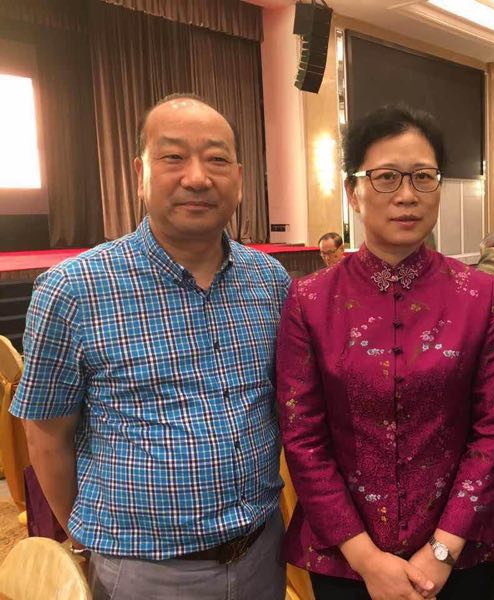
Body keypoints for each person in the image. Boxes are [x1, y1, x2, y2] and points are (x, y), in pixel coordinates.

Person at [11, 94, 290, 599]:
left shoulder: (269, 280)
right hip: (144, 572)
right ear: (140, 172)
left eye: (217, 159)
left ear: (240, 178)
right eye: (173, 157)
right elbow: (46, 437)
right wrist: (91, 539)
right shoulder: (74, 289)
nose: (197, 177)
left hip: (261, 555)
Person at [277, 104, 494, 600]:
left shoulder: (479, 295)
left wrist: (442, 551)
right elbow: (303, 438)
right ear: (353, 192)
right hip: (345, 561)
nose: (407, 195)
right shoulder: (310, 299)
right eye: (386, 177)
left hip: (458, 556)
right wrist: (366, 559)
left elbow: (493, 428)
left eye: (423, 177)